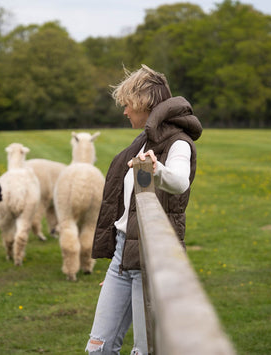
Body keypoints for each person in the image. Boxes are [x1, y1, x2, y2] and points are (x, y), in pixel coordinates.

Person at [85, 64, 202, 355]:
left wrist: (156, 168)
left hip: (154, 261)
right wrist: (121, 257)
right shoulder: (142, 143)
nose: (125, 112)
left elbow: (178, 182)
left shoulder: (178, 144)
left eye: (127, 105)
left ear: (143, 104)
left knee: (145, 350)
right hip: (122, 259)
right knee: (98, 348)